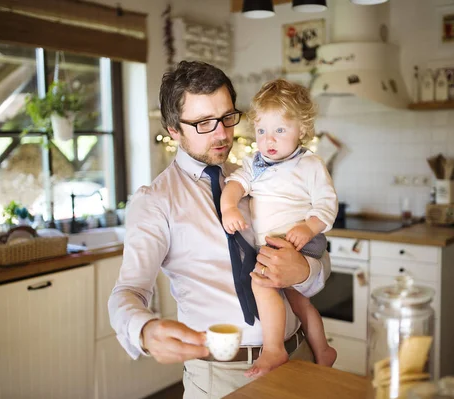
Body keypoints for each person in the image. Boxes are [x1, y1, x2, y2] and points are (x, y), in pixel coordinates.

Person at [108, 61, 331, 399]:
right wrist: (144, 330)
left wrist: (305, 270)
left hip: (300, 356)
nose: (223, 133)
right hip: (223, 376)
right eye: (203, 123)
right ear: (173, 129)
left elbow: (319, 262)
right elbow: (128, 291)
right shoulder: (154, 201)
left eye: (228, 117)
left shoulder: (258, 176)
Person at [220, 79, 338, 377]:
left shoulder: (310, 164)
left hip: (301, 242)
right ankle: (323, 350)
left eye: (280, 131)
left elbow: (327, 205)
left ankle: (274, 350)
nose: (268, 140)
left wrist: (309, 228)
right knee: (298, 300)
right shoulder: (254, 163)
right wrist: (229, 207)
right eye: (262, 131)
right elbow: (235, 184)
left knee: (261, 283)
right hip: (272, 246)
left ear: (302, 130)